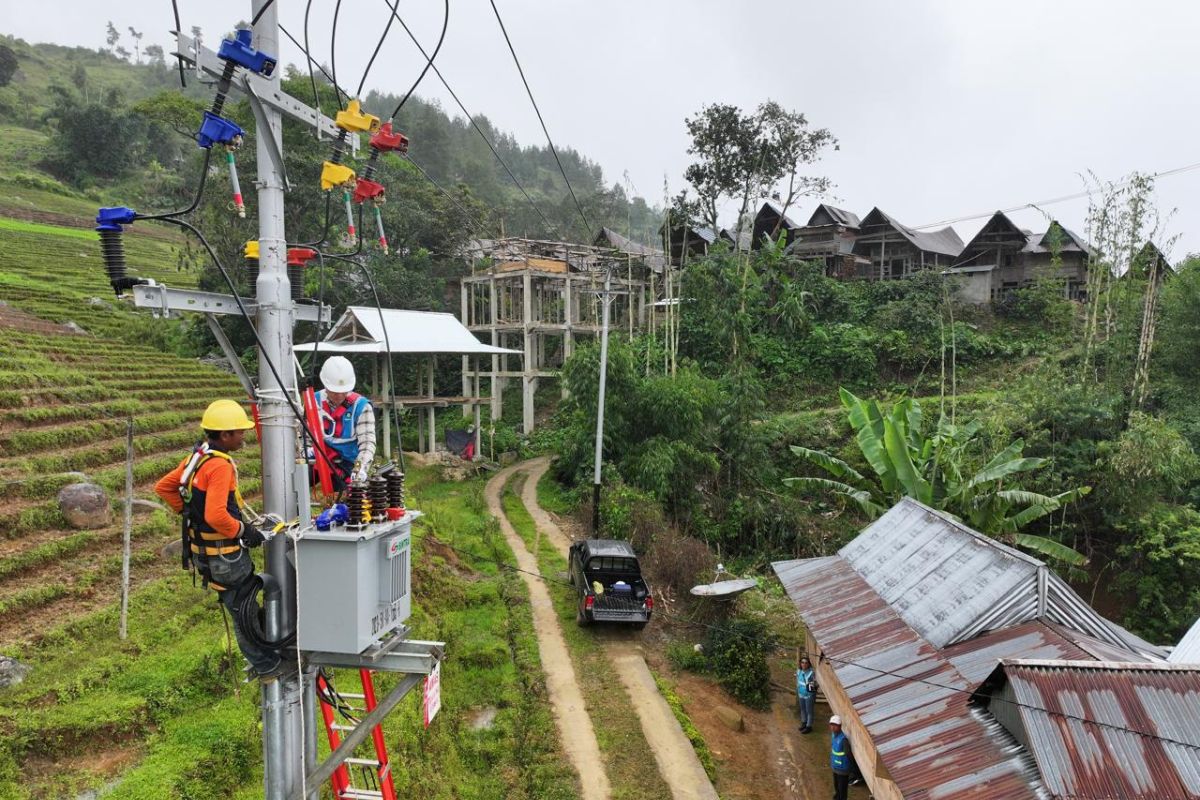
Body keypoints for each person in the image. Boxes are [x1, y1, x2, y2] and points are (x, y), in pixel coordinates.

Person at [155, 400, 281, 679]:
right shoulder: (219, 467)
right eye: (239, 432)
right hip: (226, 556)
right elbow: (216, 514)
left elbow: (164, 487)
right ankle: (265, 664)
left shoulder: (196, 459)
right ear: (225, 435)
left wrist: (190, 514)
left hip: (206, 554)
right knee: (244, 609)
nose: (243, 436)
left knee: (243, 604)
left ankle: (267, 654)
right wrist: (244, 531)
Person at [315, 356, 376, 490]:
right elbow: (305, 436)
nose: (339, 396)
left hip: (348, 464)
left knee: (350, 499)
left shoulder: (361, 407)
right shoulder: (314, 402)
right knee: (296, 478)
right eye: (334, 391)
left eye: (343, 392)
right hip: (319, 458)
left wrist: (359, 470)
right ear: (325, 385)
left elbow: (367, 444)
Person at [829, 714, 852, 800]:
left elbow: (848, 754)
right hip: (835, 767)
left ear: (840, 726)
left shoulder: (843, 740)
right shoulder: (833, 735)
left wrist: (852, 769)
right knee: (836, 787)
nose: (833, 727)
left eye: (835, 725)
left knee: (842, 790)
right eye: (831, 725)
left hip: (843, 769)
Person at [796, 653, 816, 733]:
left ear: (808, 664)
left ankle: (809, 726)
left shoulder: (811, 673)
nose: (804, 664)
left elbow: (812, 687)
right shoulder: (799, 672)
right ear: (800, 663)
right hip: (801, 694)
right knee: (803, 709)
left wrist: (810, 695)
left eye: (806, 663)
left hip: (808, 695)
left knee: (809, 711)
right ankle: (804, 723)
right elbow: (798, 682)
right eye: (802, 662)